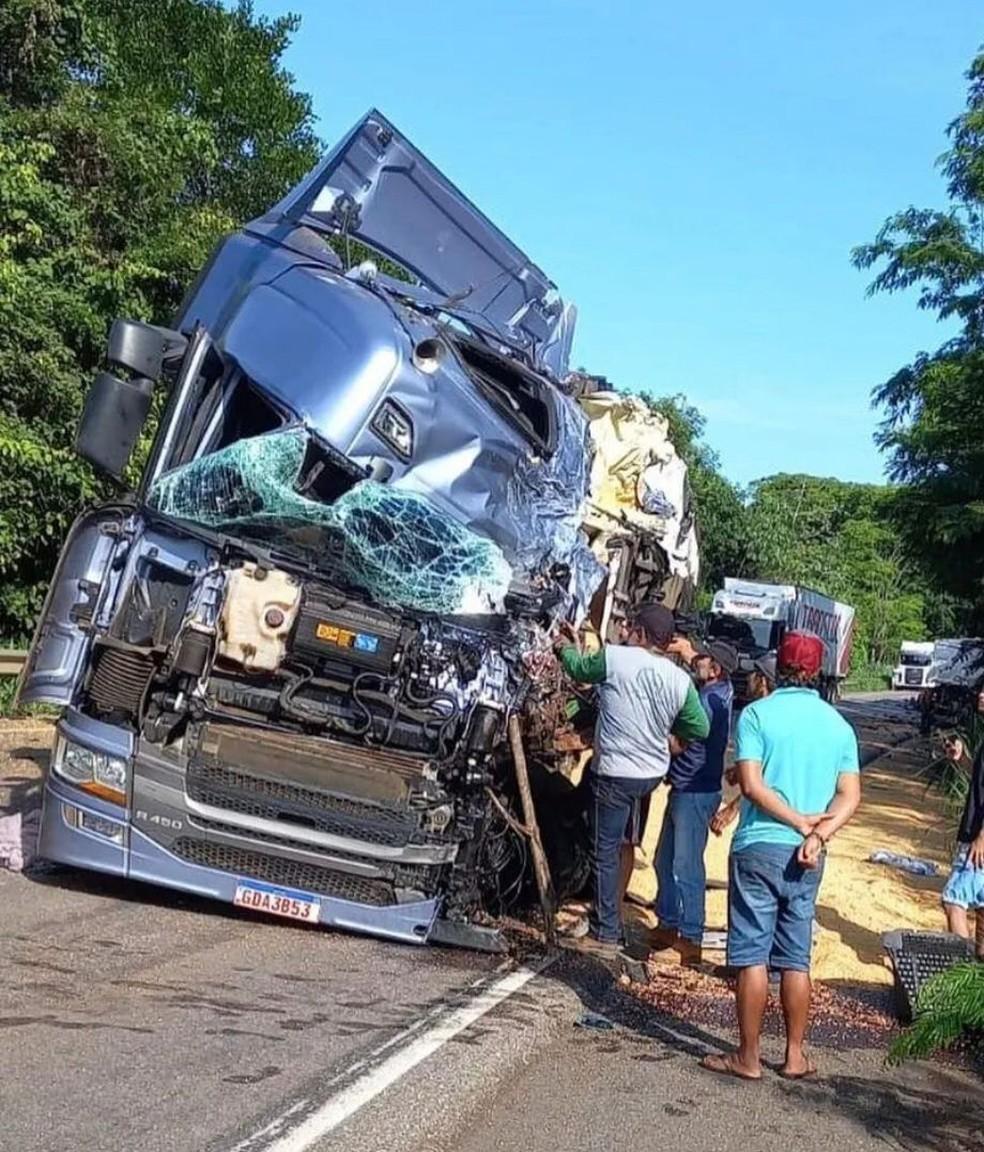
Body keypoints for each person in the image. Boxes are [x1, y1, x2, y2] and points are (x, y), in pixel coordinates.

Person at [702, 631, 861, 1082]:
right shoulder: (838, 726)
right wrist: (819, 832)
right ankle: (794, 1055)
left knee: (752, 952)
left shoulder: (756, 715)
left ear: (777, 668)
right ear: (817, 672)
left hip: (758, 846)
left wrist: (795, 821)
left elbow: (750, 785)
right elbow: (851, 796)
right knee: (796, 957)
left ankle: (748, 1057)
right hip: (808, 854)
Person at [555, 603, 710, 958]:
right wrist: (674, 739)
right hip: (648, 776)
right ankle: (611, 922)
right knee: (626, 842)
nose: (626, 632)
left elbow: (579, 668)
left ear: (640, 634)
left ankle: (605, 933)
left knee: (604, 851)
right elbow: (699, 726)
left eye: (631, 628)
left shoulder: (616, 659)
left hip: (614, 773)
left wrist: (563, 647)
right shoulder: (678, 680)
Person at [651, 639, 739, 966]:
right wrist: (688, 652)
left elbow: (680, 742)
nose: (697, 660)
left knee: (685, 866)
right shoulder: (720, 691)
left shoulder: (706, 700)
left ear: (714, 668)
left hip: (694, 791)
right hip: (690, 788)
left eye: (704, 658)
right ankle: (669, 921)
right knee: (664, 859)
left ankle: (690, 937)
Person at [710, 652, 776, 837]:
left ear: (762, 681)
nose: (749, 678)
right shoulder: (781, 714)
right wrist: (739, 772)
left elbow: (767, 777)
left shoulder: (755, 716)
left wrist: (733, 808)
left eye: (753, 673)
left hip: (761, 826)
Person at [940, 689, 984, 956]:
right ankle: (978, 976)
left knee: (953, 900)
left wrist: (981, 837)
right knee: (981, 906)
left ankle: (963, 970)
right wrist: (963, 759)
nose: (980, 694)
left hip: (977, 841)